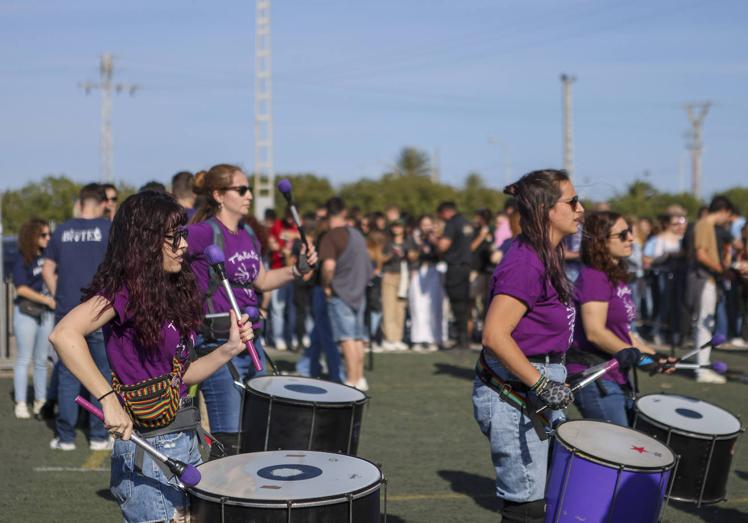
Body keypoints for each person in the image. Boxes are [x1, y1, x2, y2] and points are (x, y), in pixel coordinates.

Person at [48, 191, 254, 523]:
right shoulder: (124, 291)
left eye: (184, 235)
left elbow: (181, 375)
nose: (184, 245)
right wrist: (108, 398)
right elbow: (64, 334)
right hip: (150, 448)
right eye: (174, 238)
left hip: (183, 440)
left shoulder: (168, 291)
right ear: (146, 241)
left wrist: (229, 349)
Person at [472, 169, 583, 522]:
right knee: (527, 506)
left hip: (536, 385)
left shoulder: (548, 252)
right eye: (573, 201)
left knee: (548, 495)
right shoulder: (525, 262)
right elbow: (494, 335)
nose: (581, 209)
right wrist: (541, 383)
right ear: (547, 209)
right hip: (515, 392)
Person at [187, 164, 317, 455]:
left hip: (252, 340)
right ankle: (216, 497)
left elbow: (263, 280)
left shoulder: (246, 233)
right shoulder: (202, 233)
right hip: (219, 343)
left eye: (249, 190)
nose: (249, 196)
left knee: (259, 430)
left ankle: (246, 495)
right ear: (219, 195)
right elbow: (164, 249)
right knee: (229, 438)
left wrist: (298, 269)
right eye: (242, 190)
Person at [568, 212, 673, 427]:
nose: (631, 239)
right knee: (618, 450)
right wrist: (640, 358)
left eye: (631, 232)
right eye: (623, 234)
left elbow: (625, 334)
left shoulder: (615, 277)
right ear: (601, 240)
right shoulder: (594, 277)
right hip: (594, 375)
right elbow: (596, 333)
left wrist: (655, 358)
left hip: (616, 376)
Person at [43, 183, 112, 450]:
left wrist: (57, 296)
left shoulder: (62, 230)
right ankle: (98, 436)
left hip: (67, 315)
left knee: (69, 376)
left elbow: (48, 270)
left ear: (81, 202)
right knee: (100, 375)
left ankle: (66, 437)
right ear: (102, 203)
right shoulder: (108, 230)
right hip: (98, 314)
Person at [319, 197, 373, 390]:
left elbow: (328, 266)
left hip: (340, 292)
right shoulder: (357, 235)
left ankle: (351, 381)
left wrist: (326, 285)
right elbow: (368, 265)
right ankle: (359, 378)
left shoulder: (330, 236)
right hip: (359, 292)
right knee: (357, 338)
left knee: (346, 339)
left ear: (327, 214)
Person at [688, 195, 735, 384]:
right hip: (702, 278)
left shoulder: (705, 224)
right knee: (703, 324)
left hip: (705, 278)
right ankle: (702, 369)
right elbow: (701, 254)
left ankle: (702, 366)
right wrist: (722, 270)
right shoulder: (704, 224)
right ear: (723, 211)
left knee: (704, 324)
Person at [12, 218, 55, 418]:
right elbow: (20, 288)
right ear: (33, 236)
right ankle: (20, 402)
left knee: (41, 360)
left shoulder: (50, 255)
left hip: (45, 314)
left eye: (49, 234)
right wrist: (46, 300)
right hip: (26, 312)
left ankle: (41, 400)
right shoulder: (22, 258)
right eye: (44, 234)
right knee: (23, 359)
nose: (48, 238)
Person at [436, 201, 473, 350]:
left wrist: (435, 239)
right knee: (464, 304)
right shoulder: (466, 222)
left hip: (455, 268)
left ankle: (461, 338)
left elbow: (443, 245)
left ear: (445, 212)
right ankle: (464, 337)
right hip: (466, 267)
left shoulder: (452, 223)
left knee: (457, 304)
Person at [406, 215, 443, 351]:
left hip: (433, 271)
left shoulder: (436, 239)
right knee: (417, 305)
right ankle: (418, 338)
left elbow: (441, 255)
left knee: (433, 306)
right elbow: (411, 256)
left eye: (429, 224)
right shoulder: (412, 238)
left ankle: (434, 338)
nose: (426, 227)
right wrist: (420, 244)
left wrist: (434, 241)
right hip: (418, 272)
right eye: (424, 224)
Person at [380, 219, 408, 351]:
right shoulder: (387, 243)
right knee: (388, 306)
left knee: (400, 307)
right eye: (394, 226)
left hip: (404, 276)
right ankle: (389, 338)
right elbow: (381, 259)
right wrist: (392, 254)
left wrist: (405, 254)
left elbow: (414, 256)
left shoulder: (408, 242)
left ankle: (398, 338)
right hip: (389, 275)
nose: (397, 229)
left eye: (399, 226)